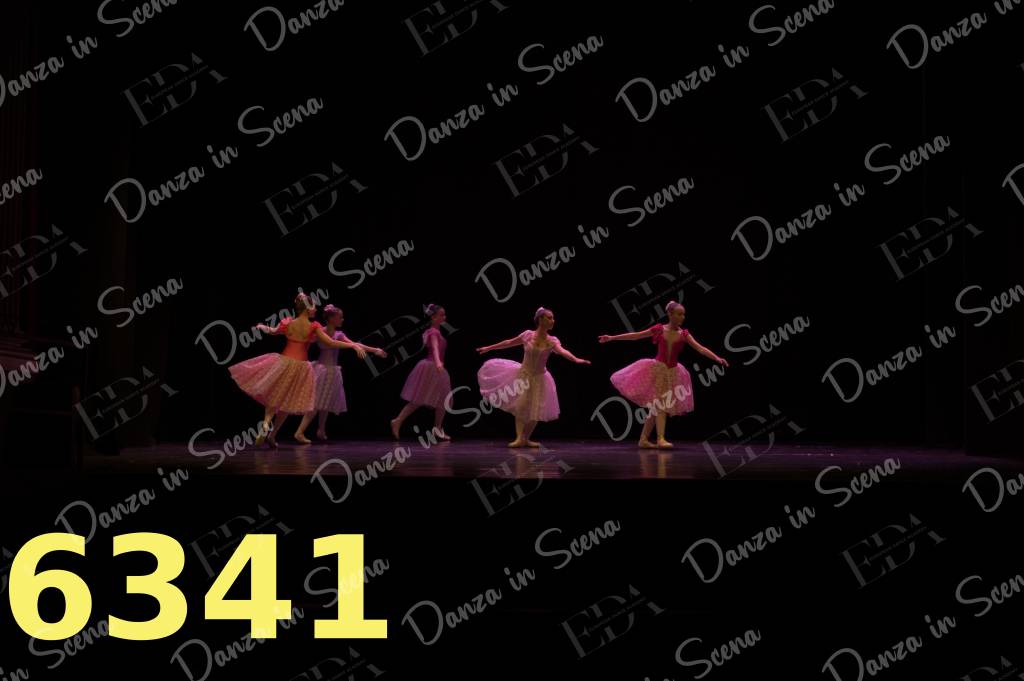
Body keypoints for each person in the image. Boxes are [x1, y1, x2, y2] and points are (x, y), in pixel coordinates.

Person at [229, 292, 374, 447]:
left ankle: (266, 424)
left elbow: (273, 331)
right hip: (301, 368)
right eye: (314, 307)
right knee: (286, 402)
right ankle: (272, 434)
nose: (316, 309)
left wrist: (262, 327)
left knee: (275, 395)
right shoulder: (313, 326)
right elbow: (331, 343)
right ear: (307, 308)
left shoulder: (289, 323)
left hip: (284, 363)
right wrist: (352, 346)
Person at [598, 301, 728, 448]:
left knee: (657, 406)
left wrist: (716, 358)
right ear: (670, 314)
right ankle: (660, 439)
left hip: (672, 373)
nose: (682, 317)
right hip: (657, 370)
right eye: (679, 314)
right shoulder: (659, 329)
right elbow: (636, 336)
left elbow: (701, 349)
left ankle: (643, 440)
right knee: (661, 405)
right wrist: (612, 337)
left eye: (683, 314)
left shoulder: (684, 334)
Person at [476, 307, 590, 448]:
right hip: (523, 375)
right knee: (521, 406)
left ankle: (526, 438)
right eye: (549, 318)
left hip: (540, 378)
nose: (553, 320)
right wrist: (489, 348)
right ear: (540, 319)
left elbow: (563, 351)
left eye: (553, 318)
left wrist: (576, 359)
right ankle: (519, 438)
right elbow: (509, 342)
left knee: (536, 409)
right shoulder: (528, 335)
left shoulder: (552, 340)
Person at [391, 304, 452, 441]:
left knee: (441, 399)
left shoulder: (435, 331)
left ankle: (437, 428)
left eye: (444, 314)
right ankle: (398, 421)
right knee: (422, 399)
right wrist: (438, 362)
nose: (444, 317)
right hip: (432, 367)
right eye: (442, 315)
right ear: (433, 317)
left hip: (435, 368)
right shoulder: (433, 332)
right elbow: (435, 347)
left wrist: (438, 363)